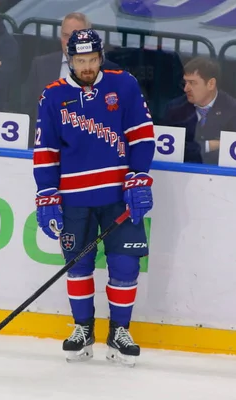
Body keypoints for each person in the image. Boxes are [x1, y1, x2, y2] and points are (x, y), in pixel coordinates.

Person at [32, 29, 155, 367]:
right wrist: (46, 195)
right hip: (74, 199)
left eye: (92, 60)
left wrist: (139, 176)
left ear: (101, 57)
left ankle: (119, 331)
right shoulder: (53, 96)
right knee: (78, 265)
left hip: (119, 195)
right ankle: (83, 329)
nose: (86, 66)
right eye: (80, 60)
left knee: (126, 264)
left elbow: (141, 135)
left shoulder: (124, 84)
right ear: (69, 59)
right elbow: (45, 150)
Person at [23, 12, 120, 147]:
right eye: (65, 36)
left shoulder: (109, 71)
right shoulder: (41, 65)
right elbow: (28, 111)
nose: (69, 42)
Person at [161, 56, 236, 165]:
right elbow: (168, 148)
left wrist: (190, 148)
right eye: (185, 82)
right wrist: (208, 145)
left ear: (211, 84)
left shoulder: (235, 110)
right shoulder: (175, 108)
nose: (185, 88)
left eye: (192, 83)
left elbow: (235, 152)